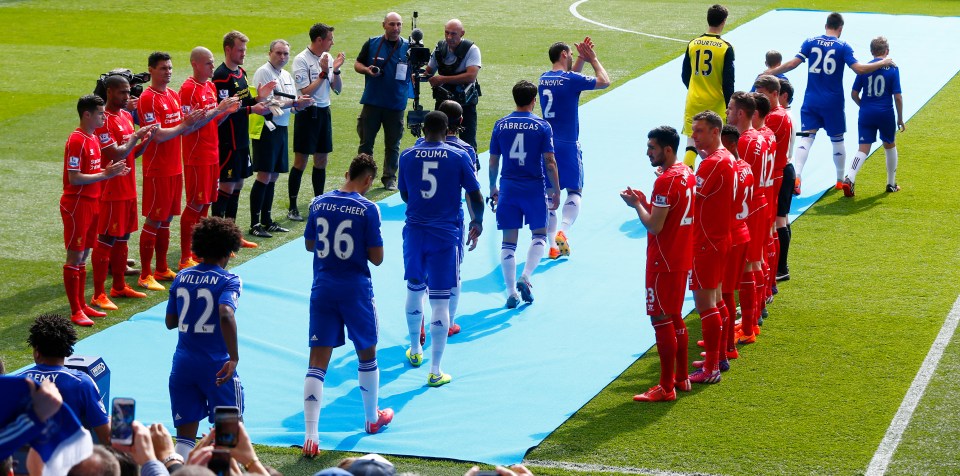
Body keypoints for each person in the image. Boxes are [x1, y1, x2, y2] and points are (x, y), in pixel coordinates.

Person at [301, 154, 393, 457]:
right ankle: (370, 419)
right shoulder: (368, 208)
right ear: (368, 180)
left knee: (317, 362)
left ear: (346, 173)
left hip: (323, 286)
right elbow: (377, 258)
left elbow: (310, 244)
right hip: (355, 289)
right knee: (366, 352)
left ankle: (311, 436)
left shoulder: (317, 203)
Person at [398, 111, 484, 387]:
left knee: (414, 289)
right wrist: (477, 221)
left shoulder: (407, 156)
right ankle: (435, 370)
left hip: (415, 232)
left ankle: (415, 349)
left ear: (423, 129)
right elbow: (474, 194)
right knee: (439, 301)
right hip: (445, 234)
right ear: (448, 129)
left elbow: (405, 194)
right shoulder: (459, 156)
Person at [764, 12, 895, 194]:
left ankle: (798, 176)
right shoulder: (843, 46)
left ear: (826, 25)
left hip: (811, 99)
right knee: (837, 140)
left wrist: (771, 72)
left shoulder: (810, 42)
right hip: (833, 101)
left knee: (806, 138)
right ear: (840, 28)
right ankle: (840, 180)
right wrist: (884, 62)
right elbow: (859, 69)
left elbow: (793, 64)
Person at [620, 126, 695, 402]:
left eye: (652, 147)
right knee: (675, 315)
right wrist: (644, 200)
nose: (647, 152)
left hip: (663, 259)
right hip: (681, 254)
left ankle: (665, 388)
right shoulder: (687, 172)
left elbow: (654, 225)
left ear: (667, 149)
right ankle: (681, 377)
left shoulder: (665, 181)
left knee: (660, 318)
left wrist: (636, 205)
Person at [164, 216, 244, 460]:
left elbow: (170, 322)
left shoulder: (181, 277)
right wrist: (234, 357)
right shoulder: (229, 280)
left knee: (185, 436)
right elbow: (226, 312)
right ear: (229, 250)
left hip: (183, 364)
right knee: (229, 431)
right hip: (217, 367)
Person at [136, 52, 204, 292]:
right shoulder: (147, 99)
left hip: (175, 167)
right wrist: (185, 124)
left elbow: (181, 130)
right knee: (154, 219)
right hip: (158, 169)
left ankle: (162, 268)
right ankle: (145, 274)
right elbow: (159, 135)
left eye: (170, 68)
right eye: (163, 68)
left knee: (166, 219)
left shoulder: (173, 95)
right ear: (151, 70)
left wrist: (197, 119)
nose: (168, 72)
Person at [488, 80, 560, 308]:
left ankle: (510, 292)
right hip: (533, 187)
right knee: (539, 235)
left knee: (508, 243)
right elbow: (550, 162)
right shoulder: (541, 126)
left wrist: (492, 187)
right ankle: (526, 276)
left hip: (508, 187)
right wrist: (556, 190)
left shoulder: (500, 125)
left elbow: (493, 161)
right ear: (533, 100)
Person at [61, 95, 131, 325]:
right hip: (77, 205)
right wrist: (105, 174)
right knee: (75, 255)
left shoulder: (92, 138)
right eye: (100, 113)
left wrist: (109, 170)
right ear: (87, 115)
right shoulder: (77, 140)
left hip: (93, 202)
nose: (104, 116)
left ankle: (82, 305)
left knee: (84, 256)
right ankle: (75, 310)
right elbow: (74, 178)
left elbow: (93, 169)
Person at [413, 100, 480, 337]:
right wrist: (476, 221)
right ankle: (449, 322)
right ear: (460, 122)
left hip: (419, 217)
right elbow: (472, 192)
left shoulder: (418, 145)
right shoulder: (465, 150)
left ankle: (418, 319)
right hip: (449, 219)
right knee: (452, 272)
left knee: (419, 275)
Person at [89, 77, 156, 314]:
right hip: (110, 191)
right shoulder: (103, 121)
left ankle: (119, 286)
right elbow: (114, 154)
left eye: (128, 92)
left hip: (127, 188)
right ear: (109, 92)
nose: (126, 96)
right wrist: (136, 138)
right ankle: (98, 294)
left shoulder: (127, 117)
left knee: (123, 236)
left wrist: (145, 141)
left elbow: (130, 154)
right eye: (121, 92)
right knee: (106, 238)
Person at [538, 38, 610, 259]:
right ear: (563, 54)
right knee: (574, 190)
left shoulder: (544, 79)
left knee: (550, 194)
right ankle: (564, 230)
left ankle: (552, 246)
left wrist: (579, 58)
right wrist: (593, 59)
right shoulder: (570, 79)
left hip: (546, 145)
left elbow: (570, 82)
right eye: (570, 54)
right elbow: (604, 81)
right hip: (568, 143)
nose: (571, 58)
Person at [179, 47, 242, 269]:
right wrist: (218, 110)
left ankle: (199, 251)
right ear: (195, 64)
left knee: (206, 202)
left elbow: (211, 122)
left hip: (212, 152)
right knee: (195, 204)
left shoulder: (209, 85)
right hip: (197, 155)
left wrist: (226, 112)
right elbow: (188, 127)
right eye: (208, 63)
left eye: (213, 63)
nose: (212, 67)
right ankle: (185, 255)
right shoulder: (188, 89)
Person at [211, 31, 274, 246]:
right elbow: (224, 110)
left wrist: (259, 98)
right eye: (240, 50)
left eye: (245, 50)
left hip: (241, 140)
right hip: (228, 140)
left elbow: (246, 101)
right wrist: (252, 109)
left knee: (237, 185)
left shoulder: (241, 72)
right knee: (226, 188)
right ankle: (219, 239)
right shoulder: (221, 76)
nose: (244, 54)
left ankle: (232, 235)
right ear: (228, 49)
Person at [687, 111, 735, 384]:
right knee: (716, 300)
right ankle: (719, 357)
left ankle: (711, 369)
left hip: (706, 241)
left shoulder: (712, 163)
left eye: (700, 131)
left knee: (706, 306)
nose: (694, 136)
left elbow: (692, 199)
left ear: (716, 131)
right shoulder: (726, 158)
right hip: (719, 238)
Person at [250, 39, 314, 237]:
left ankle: (267, 220)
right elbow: (267, 102)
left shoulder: (286, 75)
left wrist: (298, 105)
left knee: (274, 175)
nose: (282, 57)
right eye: (278, 53)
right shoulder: (263, 72)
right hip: (266, 127)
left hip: (281, 127)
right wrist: (294, 103)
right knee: (264, 175)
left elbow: (287, 103)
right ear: (270, 53)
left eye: (285, 54)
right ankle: (255, 223)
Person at [18, 314, 110, 443]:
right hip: (70, 460)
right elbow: (106, 437)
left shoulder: (16, 381)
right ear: (67, 350)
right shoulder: (82, 383)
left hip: (22, 461)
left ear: (37, 351)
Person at [290, 23, 345, 221]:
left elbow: (337, 88)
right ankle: (293, 206)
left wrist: (335, 70)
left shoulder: (327, 58)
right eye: (330, 39)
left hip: (324, 112)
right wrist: (323, 73)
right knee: (301, 161)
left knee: (321, 159)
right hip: (307, 113)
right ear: (319, 40)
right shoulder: (301, 60)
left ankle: (319, 200)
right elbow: (305, 91)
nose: (333, 42)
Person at [355, 12, 412, 191]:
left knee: (393, 144)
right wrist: (366, 69)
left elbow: (418, 69)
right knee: (366, 143)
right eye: (392, 24)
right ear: (384, 25)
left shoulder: (409, 48)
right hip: (372, 102)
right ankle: (364, 177)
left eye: (399, 24)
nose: (396, 28)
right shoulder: (372, 43)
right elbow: (357, 63)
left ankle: (389, 177)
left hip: (395, 104)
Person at [726, 94, 766, 345]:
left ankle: (749, 328)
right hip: (759, 202)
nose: (727, 112)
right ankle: (752, 319)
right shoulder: (759, 137)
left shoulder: (747, 143)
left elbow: (741, 178)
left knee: (749, 266)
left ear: (740, 113)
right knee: (755, 262)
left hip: (749, 208)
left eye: (730, 109)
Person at [845, 36, 904, 196]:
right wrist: (900, 118)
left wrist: (863, 106)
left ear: (872, 52)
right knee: (889, 145)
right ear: (887, 51)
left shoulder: (864, 68)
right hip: (885, 113)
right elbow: (897, 97)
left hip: (866, 113)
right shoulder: (892, 68)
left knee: (863, 148)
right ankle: (891, 184)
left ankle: (850, 176)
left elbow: (854, 93)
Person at [681, 4, 735, 167]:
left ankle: (685, 183)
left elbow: (685, 75)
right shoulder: (726, 48)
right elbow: (728, 82)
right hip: (716, 105)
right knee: (717, 147)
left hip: (694, 101)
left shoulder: (693, 43)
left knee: (692, 145)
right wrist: (729, 105)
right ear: (724, 21)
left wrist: (695, 90)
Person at [754, 76, 795, 282]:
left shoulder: (774, 117)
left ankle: (780, 268)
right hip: (782, 170)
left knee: (778, 221)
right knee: (782, 219)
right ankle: (780, 267)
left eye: (761, 94)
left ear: (775, 94)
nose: (757, 99)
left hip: (779, 172)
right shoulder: (780, 114)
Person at [425, 19, 482, 150]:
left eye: (453, 34)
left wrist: (442, 79)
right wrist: (420, 74)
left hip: (465, 104)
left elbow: (471, 76)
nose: (449, 37)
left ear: (462, 33)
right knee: (437, 139)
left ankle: (472, 168)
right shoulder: (440, 48)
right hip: (443, 101)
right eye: (447, 33)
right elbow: (429, 70)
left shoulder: (472, 50)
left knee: (468, 141)